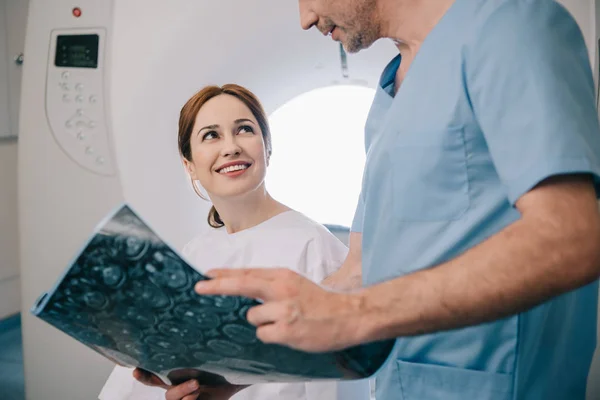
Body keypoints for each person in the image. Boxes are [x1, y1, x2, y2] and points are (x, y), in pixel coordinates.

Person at [193, 0, 600, 399]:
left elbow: (574, 236)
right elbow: (360, 271)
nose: (306, 18)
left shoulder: (507, 27)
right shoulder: (387, 99)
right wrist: (246, 366)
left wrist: (356, 316)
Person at [97, 83, 371, 400]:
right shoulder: (194, 253)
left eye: (244, 130)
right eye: (211, 135)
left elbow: (335, 384)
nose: (231, 147)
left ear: (267, 147)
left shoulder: (313, 247)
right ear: (190, 166)